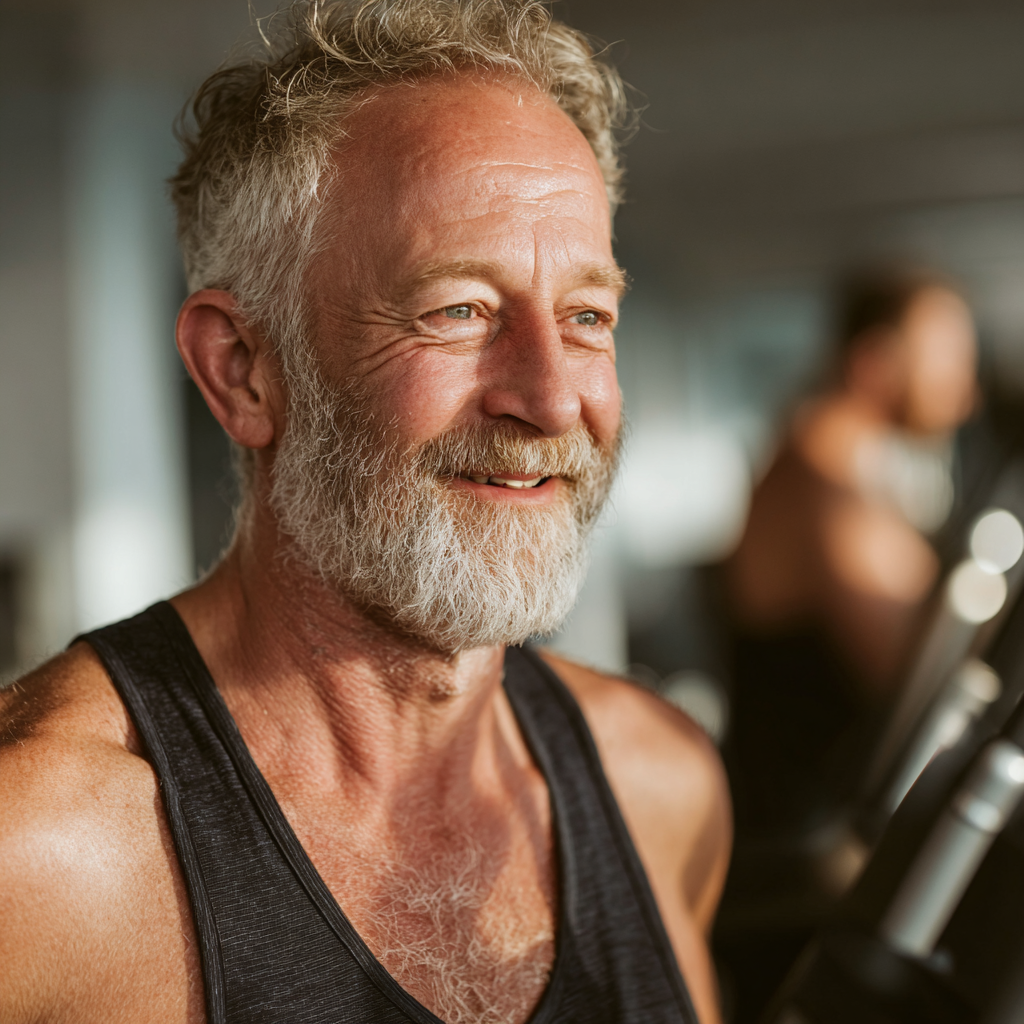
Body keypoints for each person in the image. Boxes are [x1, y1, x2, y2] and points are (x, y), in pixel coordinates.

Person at [0, 3, 730, 1024]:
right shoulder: (41, 854)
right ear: (243, 370)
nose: (553, 397)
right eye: (457, 311)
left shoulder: (657, 782)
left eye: (586, 318)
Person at [715, 267, 978, 1021]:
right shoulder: (824, 484)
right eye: (947, 362)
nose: (966, 393)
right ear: (874, 363)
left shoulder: (848, 479)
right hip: (796, 847)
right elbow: (919, 671)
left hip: (827, 829)